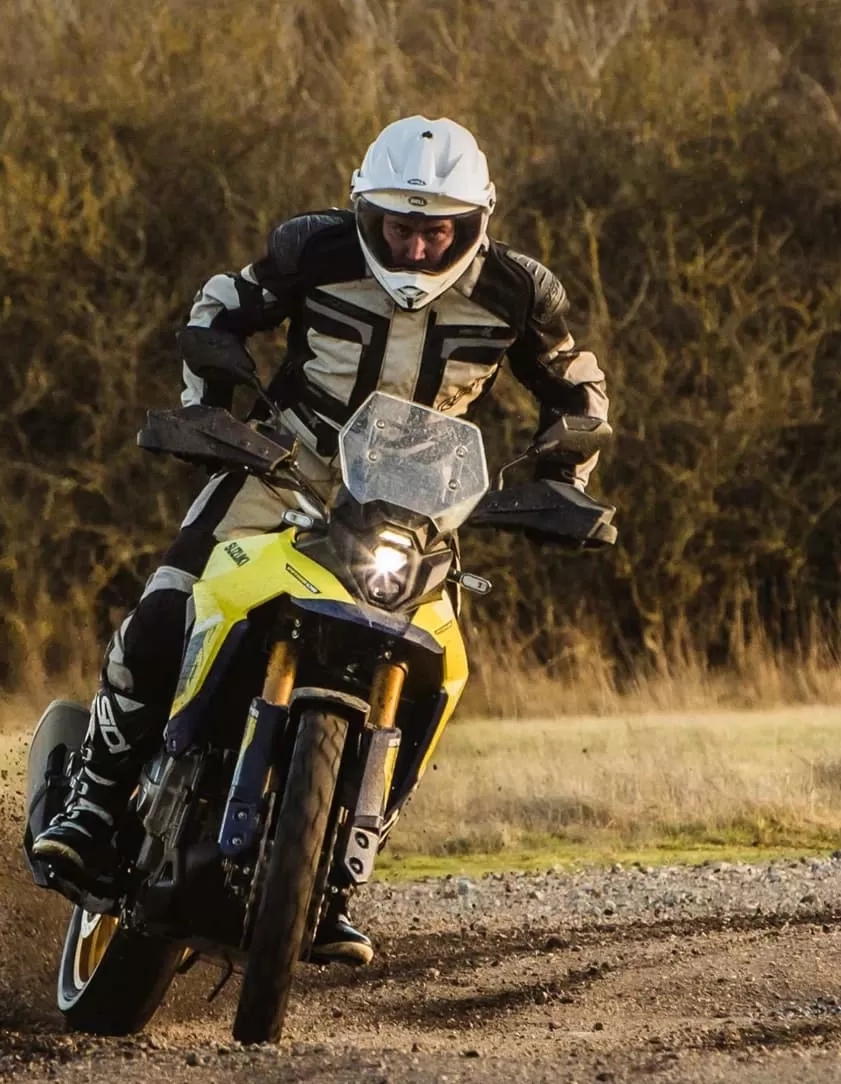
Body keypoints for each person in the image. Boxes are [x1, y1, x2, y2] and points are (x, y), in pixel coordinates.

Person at [30, 116, 610, 964]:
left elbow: (579, 391)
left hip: (418, 511)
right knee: (167, 609)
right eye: (399, 225)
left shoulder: (520, 292)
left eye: (436, 228)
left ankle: (332, 876)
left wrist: (566, 481)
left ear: (475, 221)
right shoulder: (313, 251)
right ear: (364, 212)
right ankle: (93, 800)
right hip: (283, 472)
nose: (415, 245)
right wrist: (209, 403)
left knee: (434, 677)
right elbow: (220, 307)